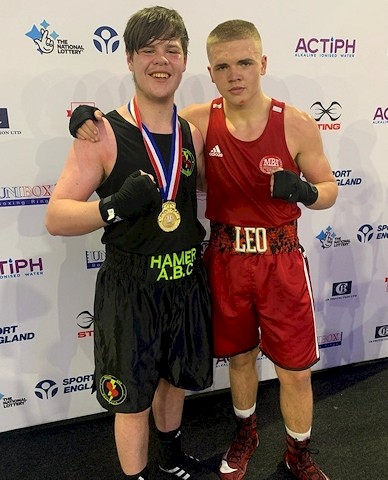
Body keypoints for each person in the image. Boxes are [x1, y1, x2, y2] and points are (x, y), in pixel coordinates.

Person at [70, 19, 338, 480]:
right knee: (238, 359)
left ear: (263, 64)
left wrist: (307, 193)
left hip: (281, 256)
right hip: (226, 256)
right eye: (224, 66)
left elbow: (329, 187)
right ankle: (244, 435)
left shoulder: (295, 122)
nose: (235, 74)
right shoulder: (197, 120)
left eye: (245, 63)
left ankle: (299, 453)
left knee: (294, 368)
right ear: (210, 72)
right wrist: (87, 120)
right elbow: (149, 119)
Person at [46, 7, 214, 480]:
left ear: (184, 63)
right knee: (134, 395)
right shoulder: (101, 133)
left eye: (171, 50)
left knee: (174, 381)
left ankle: (173, 456)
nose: (160, 60)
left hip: (185, 277)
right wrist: (114, 206)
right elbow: (56, 216)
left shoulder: (191, 133)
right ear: (129, 59)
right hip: (132, 288)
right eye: (148, 49)